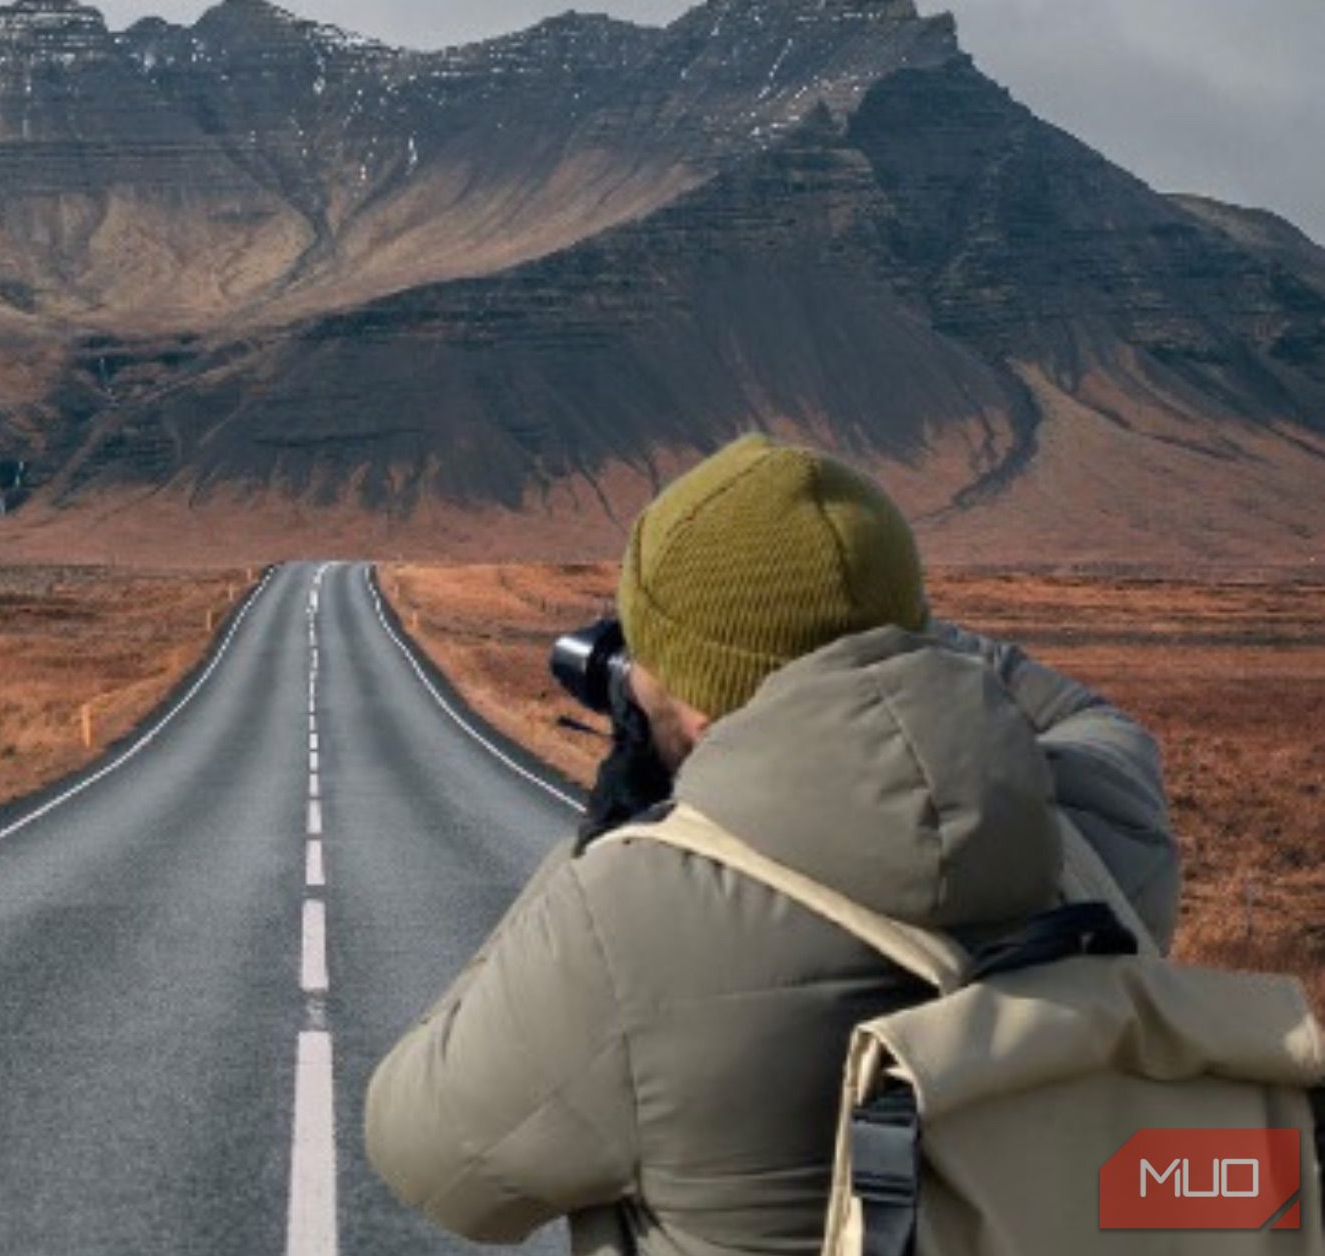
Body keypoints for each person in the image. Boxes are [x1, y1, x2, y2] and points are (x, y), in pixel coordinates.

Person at [363, 433, 1181, 1256]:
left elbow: (421, 1150)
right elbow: (1096, 723)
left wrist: (608, 833)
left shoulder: (623, 921)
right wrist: (892, 635)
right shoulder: (1093, 827)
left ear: (696, 706)